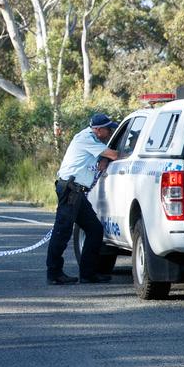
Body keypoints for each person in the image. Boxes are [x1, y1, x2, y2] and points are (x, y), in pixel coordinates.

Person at [45, 113, 120, 285]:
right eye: (108, 129)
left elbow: (101, 155)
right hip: (71, 190)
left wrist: (103, 158)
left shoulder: (91, 139)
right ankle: (54, 273)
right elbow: (114, 155)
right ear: (98, 129)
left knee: (94, 229)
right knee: (62, 232)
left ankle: (88, 274)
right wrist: (112, 155)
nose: (110, 133)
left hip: (75, 191)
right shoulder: (86, 138)